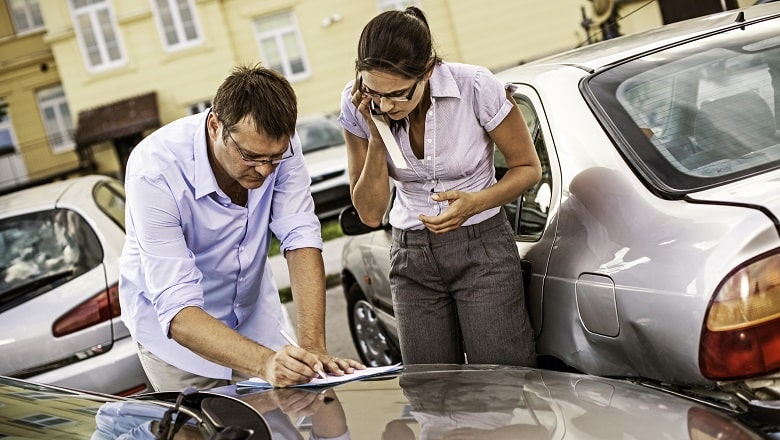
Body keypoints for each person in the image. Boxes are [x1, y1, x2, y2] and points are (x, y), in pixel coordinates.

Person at [119, 64, 364, 392]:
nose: (264, 171)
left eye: (274, 159)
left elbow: (300, 237)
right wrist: (265, 363)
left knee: (288, 418)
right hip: (180, 343)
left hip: (254, 318)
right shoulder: (153, 172)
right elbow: (178, 310)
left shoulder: (278, 146)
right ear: (215, 125)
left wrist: (313, 349)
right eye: (250, 156)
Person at [338, 7, 541, 366]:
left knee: (505, 383)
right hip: (411, 257)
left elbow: (528, 169)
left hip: (482, 250)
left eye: (399, 93)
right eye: (374, 92)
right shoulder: (359, 105)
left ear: (428, 70)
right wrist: (375, 135)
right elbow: (369, 214)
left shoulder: (476, 87)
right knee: (433, 390)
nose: (385, 104)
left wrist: (476, 202)